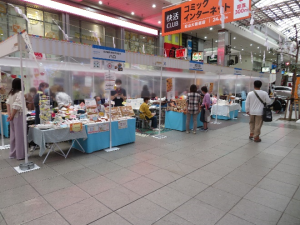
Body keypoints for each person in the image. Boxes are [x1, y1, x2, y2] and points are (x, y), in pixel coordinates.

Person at [6, 78, 26, 160]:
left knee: (13, 135)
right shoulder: (20, 93)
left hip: (13, 116)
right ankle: (20, 155)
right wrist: (12, 115)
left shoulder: (11, 93)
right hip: (19, 116)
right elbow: (16, 106)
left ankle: (13, 153)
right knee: (20, 136)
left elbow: (8, 104)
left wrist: (10, 115)